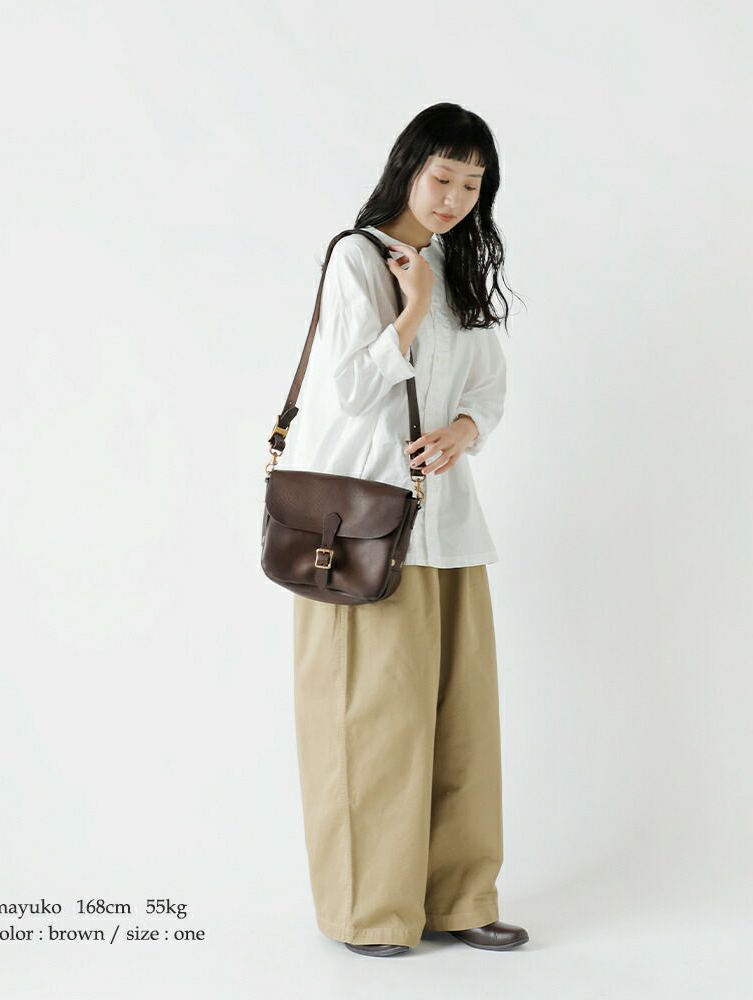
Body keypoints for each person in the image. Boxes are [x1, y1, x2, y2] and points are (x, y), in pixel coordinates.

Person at [276, 102, 528, 957]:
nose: (455, 198)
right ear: (408, 169)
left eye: (473, 184)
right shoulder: (357, 257)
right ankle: (369, 910)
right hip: (366, 528)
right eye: (442, 177)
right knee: (370, 723)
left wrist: (465, 429)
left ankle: (460, 898)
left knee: (464, 724)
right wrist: (411, 307)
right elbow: (350, 389)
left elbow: (488, 382)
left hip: (449, 528)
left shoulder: (459, 265)